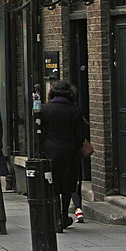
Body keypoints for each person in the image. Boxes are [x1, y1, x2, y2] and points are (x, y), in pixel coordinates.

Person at [39, 80, 88, 231]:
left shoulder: (45, 109)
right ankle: (64, 215)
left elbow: (40, 132)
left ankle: (56, 219)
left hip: (50, 152)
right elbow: (80, 135)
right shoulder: (75, 110)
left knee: (53, 185)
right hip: (69, 152)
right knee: (67, 187)